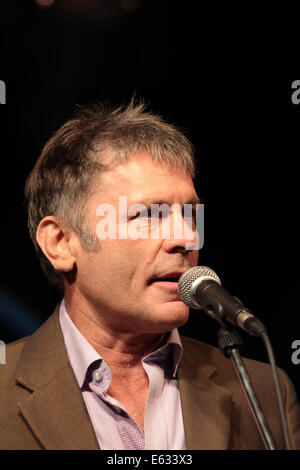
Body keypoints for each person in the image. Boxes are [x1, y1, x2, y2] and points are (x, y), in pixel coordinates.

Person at [0, 101, 299, 450]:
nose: (186, 237)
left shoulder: (262, 391)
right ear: (61, 243)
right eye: (148, 215)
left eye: (190, 215)